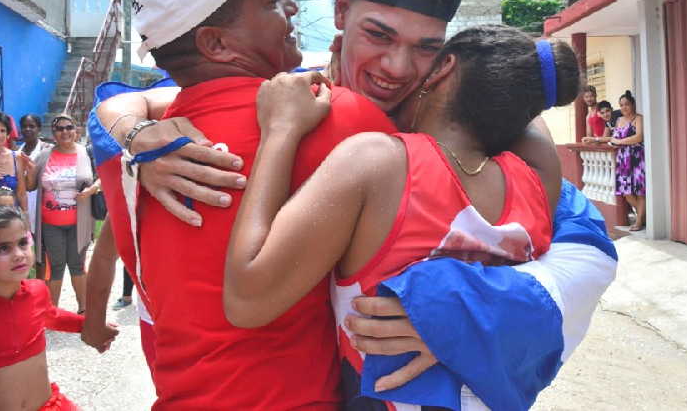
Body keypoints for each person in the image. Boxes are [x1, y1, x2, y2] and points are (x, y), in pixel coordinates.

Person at [92, 0, 617, 408]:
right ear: (340, 11)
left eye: (426, 48)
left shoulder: (476, 131)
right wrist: (129, 126)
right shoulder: (318, 106)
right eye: (379, 35)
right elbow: (154, 100)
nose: (396, 67)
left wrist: (465, 315)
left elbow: (585, 256)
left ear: (448, 58)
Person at [224, 26, 579, 408]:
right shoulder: (536, 179)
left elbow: (247, 301)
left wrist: (280, 129)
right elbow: (534, 127)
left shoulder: (377, 163)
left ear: (444, 69)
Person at [0, 205, 97, 410]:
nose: (18, 254)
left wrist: (90, 325)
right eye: (3, 248)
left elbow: (52, 316)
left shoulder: (37, 291)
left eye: (23, 243)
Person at [25, 115, 100, 312]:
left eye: (69, 127)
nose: (65, 131)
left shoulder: (87, 152)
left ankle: (84, 310)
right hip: (51, 223)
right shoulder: (44, 155)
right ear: (54, 133)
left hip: (79, 221)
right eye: (59, 129)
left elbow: (102, 177)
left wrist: (91, 190)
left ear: (76, 130)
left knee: (77, 265)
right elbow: (31, 186)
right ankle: (52, 312)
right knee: (56, 266)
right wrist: (31, 172)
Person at [610, 90, 645, 230]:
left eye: (627, 104)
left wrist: (619, 142)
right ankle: (645, 216)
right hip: (623, 160)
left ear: (633, 105)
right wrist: (596, 139)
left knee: (639, 191)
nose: (624, 107)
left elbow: (639, 137)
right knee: (627, 194)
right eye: (621, 105)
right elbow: (613, 138)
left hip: (636, 158)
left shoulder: (638, 118)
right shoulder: (619, 120)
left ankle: (639, 221)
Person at [18, 114, 50, 233]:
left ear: (39, 129)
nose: (27, 129)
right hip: (24, 204)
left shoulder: (47, 150)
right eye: (24, 126)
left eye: (32, 126)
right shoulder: (17, 153)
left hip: (43, 203)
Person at [0, 112, 28, 214]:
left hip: (10, 219)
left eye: (3, 131)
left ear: (8, 134)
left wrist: (25, 218)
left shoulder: (17, 157)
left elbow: (21, 193)